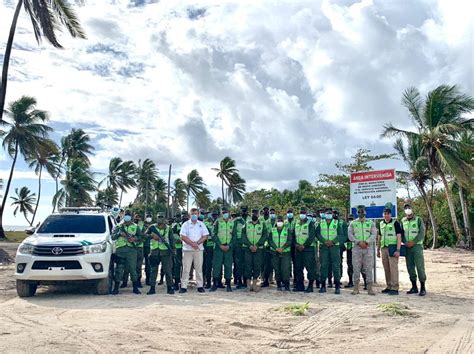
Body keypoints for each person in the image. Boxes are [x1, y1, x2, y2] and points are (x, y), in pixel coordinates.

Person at [111, 210, 142, 295]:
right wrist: (119, 234)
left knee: (132, 269)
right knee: (119, 269)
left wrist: (134, 239)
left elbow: (141, 237)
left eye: (128, 215)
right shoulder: (118, 226)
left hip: (131, 250)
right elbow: (112, 237)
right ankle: (116, 288)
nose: (127, 216)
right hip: (120, 250)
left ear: (131, 217)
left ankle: (135, 288)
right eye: (126, 215)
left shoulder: (135, 226)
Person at [348, 205, 377, 296]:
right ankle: (356, 288)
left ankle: (369, 289)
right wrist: (358, 242)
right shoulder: (353, 223)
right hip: (357, 248)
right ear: (357, 212)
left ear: (365, 212)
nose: (361, 213)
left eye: (362, 211)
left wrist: (367, 242)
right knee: (356, 268)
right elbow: (350, 235)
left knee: (368, 268)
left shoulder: (371, 223)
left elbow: (374, 234)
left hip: (368, 248)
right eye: (359, 211)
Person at [179, 208, 209, 293]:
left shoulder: (201, 224)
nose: (194, 215)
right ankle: (183, 286)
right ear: (189, 215)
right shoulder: (185, 224)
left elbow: (205, 235)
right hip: (187, 250)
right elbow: (182, 236)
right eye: (192, 214)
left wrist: (198, 243)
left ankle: (200, 286)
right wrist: (192, 244)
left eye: (196, 214)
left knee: (199, 268)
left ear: (198, 214)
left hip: (198, 250)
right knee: (186, 269)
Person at [401, 201, 427, 296]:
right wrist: (405, 242)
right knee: (410, 267)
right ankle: (414, 287)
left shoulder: (418, 219)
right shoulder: (403, 220)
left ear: (412, 209)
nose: (407, 209)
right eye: (405, 208)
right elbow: (401, 233)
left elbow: (421, 233)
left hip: (417, 246)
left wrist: (414, 242)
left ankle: (423, 288)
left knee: (420, 266)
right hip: (407, 247)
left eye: (408, 207)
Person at [377, 203, 402, 295]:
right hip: (383, 248)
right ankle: (389, 286)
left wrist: (398, 250)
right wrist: (378, 249)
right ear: (383, 215)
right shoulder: (381, 223)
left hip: (393, 248)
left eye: (388, 214)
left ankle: (395, 288)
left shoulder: (395, 223)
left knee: (393, 268)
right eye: (385, 214)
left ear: (391, 215)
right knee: (386, 268)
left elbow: (399, 237)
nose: (386, 215)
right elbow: (379, 236)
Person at [317, 207, 344, 294]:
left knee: (336, 266)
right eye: (327, 213)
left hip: (334, 247)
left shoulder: (337, 223)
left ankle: (337, 286)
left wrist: (333, 241)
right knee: (323, 266)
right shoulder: (320, 223)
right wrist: (324, 241)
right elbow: (317, 234)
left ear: (332, 214)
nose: (328, 215)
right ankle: (323, 286)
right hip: (324, 247)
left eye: (330, 213)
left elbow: (341, 234)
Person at [146, 214, 175, 295]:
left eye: (161, 217)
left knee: (168, 270)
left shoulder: (168, 228)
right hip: (154, 251)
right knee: (153, 270)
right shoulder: (152, 227)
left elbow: (172, 240)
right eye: (158, 217)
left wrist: (173, 250)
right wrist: (152, 236)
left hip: (165, 252)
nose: (160, 219)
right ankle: (152, 288)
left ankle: (170, 287)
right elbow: (144, 236)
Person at [242, 209, 268, 292]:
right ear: (251, 214)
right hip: (248, 248)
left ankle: (255, 283)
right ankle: (249, 284)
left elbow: (265, 235)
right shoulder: (246, 224)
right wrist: (250, 245)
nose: (254, 214)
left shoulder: (262, 224)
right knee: (248, 265)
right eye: (253, 213)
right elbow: (243, 235)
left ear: (258, 215)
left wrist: (257, 245)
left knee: (257, 265)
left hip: (258, 249)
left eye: (256, 213)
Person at [293, 207, 317, 292]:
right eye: (300, 212)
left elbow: (311, 236)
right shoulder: (296, 223)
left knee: (310, 268)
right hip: (298, 250)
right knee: (298, 268)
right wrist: (296, 244)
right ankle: (300, 286)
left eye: (303, 212)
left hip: (308, 249)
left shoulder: (310, 223)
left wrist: (304, 245)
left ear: (306, 213)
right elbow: (293, 235)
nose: (302, 214)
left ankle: (310, 286)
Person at [211, 208, 235, 292]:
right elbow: (213, 234)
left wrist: (230, 245)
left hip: (228, 248)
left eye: (227, 212)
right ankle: (215, 284)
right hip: (218, 247)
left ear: (229, 213)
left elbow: (234, 236)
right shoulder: (217, 221)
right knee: (217, 266)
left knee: (228, 266)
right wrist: (219, 244)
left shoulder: (232, 222)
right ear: (221, 213)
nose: (225, 214)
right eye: (224, 212)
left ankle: (228, 285)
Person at [122, 213, 146, 288]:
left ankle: (138, 281)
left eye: (138, 217)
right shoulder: (123, 225)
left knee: (138, 266)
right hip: (129, 247)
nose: (137, 219)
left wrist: (135, 240)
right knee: (127, 265)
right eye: (136, 217)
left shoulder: (142, 226)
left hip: (139, 248)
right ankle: (124, 282)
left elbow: (143, 237)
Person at [269, 215, 292, 291]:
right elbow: (270, 241)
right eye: (278, 221)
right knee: (277, 269)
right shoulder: (272, 230)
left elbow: (289, 240)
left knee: (285, 269)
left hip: (285, 252)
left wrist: (283, 248)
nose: (279, 222)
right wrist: (276, 248)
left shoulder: (287, 230)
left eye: (281, 221)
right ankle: (278, 285)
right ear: (276, 221)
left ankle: (286, 285)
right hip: (275, 252)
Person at [233, 206, 248, 289]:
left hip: (247, 245)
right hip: (238, 245)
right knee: (238, 264)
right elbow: (233, 233)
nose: (244, 212)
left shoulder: (250, 220)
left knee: (247, 264)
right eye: (242, 210)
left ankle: (246, 281)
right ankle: (239, 281)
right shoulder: (236, 221)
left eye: (245, 210)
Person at [261, 207, 276, 287]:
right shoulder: (266, 223)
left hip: (277, 247)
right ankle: (265, 280)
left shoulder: (279, 222)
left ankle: (279, 281)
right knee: (267, 265)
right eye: (271, 213)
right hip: (267, 246)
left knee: (277, 265)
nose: (272, 214)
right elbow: (264, 234)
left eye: (273, 213)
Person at [203, 210, 217, 289]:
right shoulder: (205, 224)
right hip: (208, 247)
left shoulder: (218, 223)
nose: (214, 217)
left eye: (216, 215)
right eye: (213, 215)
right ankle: (207, 282)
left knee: (216, 265)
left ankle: (217, 281)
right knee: (208, 265)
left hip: (216, 247)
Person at [171, 214, 184, 290]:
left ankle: (183, 282)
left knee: (185, 265)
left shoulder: (188, 225)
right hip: (178, 248)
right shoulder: (175, 226)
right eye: (178, 216)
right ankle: (176, 282)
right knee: (177, 265)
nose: (180, 218)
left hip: (187, 248)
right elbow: (171, 235)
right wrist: (176, 240)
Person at [143, 213, 153, 286]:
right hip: (142, 246)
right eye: (147, 217)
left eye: (150, 216)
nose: (148, 218)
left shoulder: (153, 226)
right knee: (139, 264)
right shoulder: (141, 226)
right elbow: (142, 235)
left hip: (151, 247)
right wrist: (150, 236)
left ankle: (148, 279)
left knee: (149, 264)